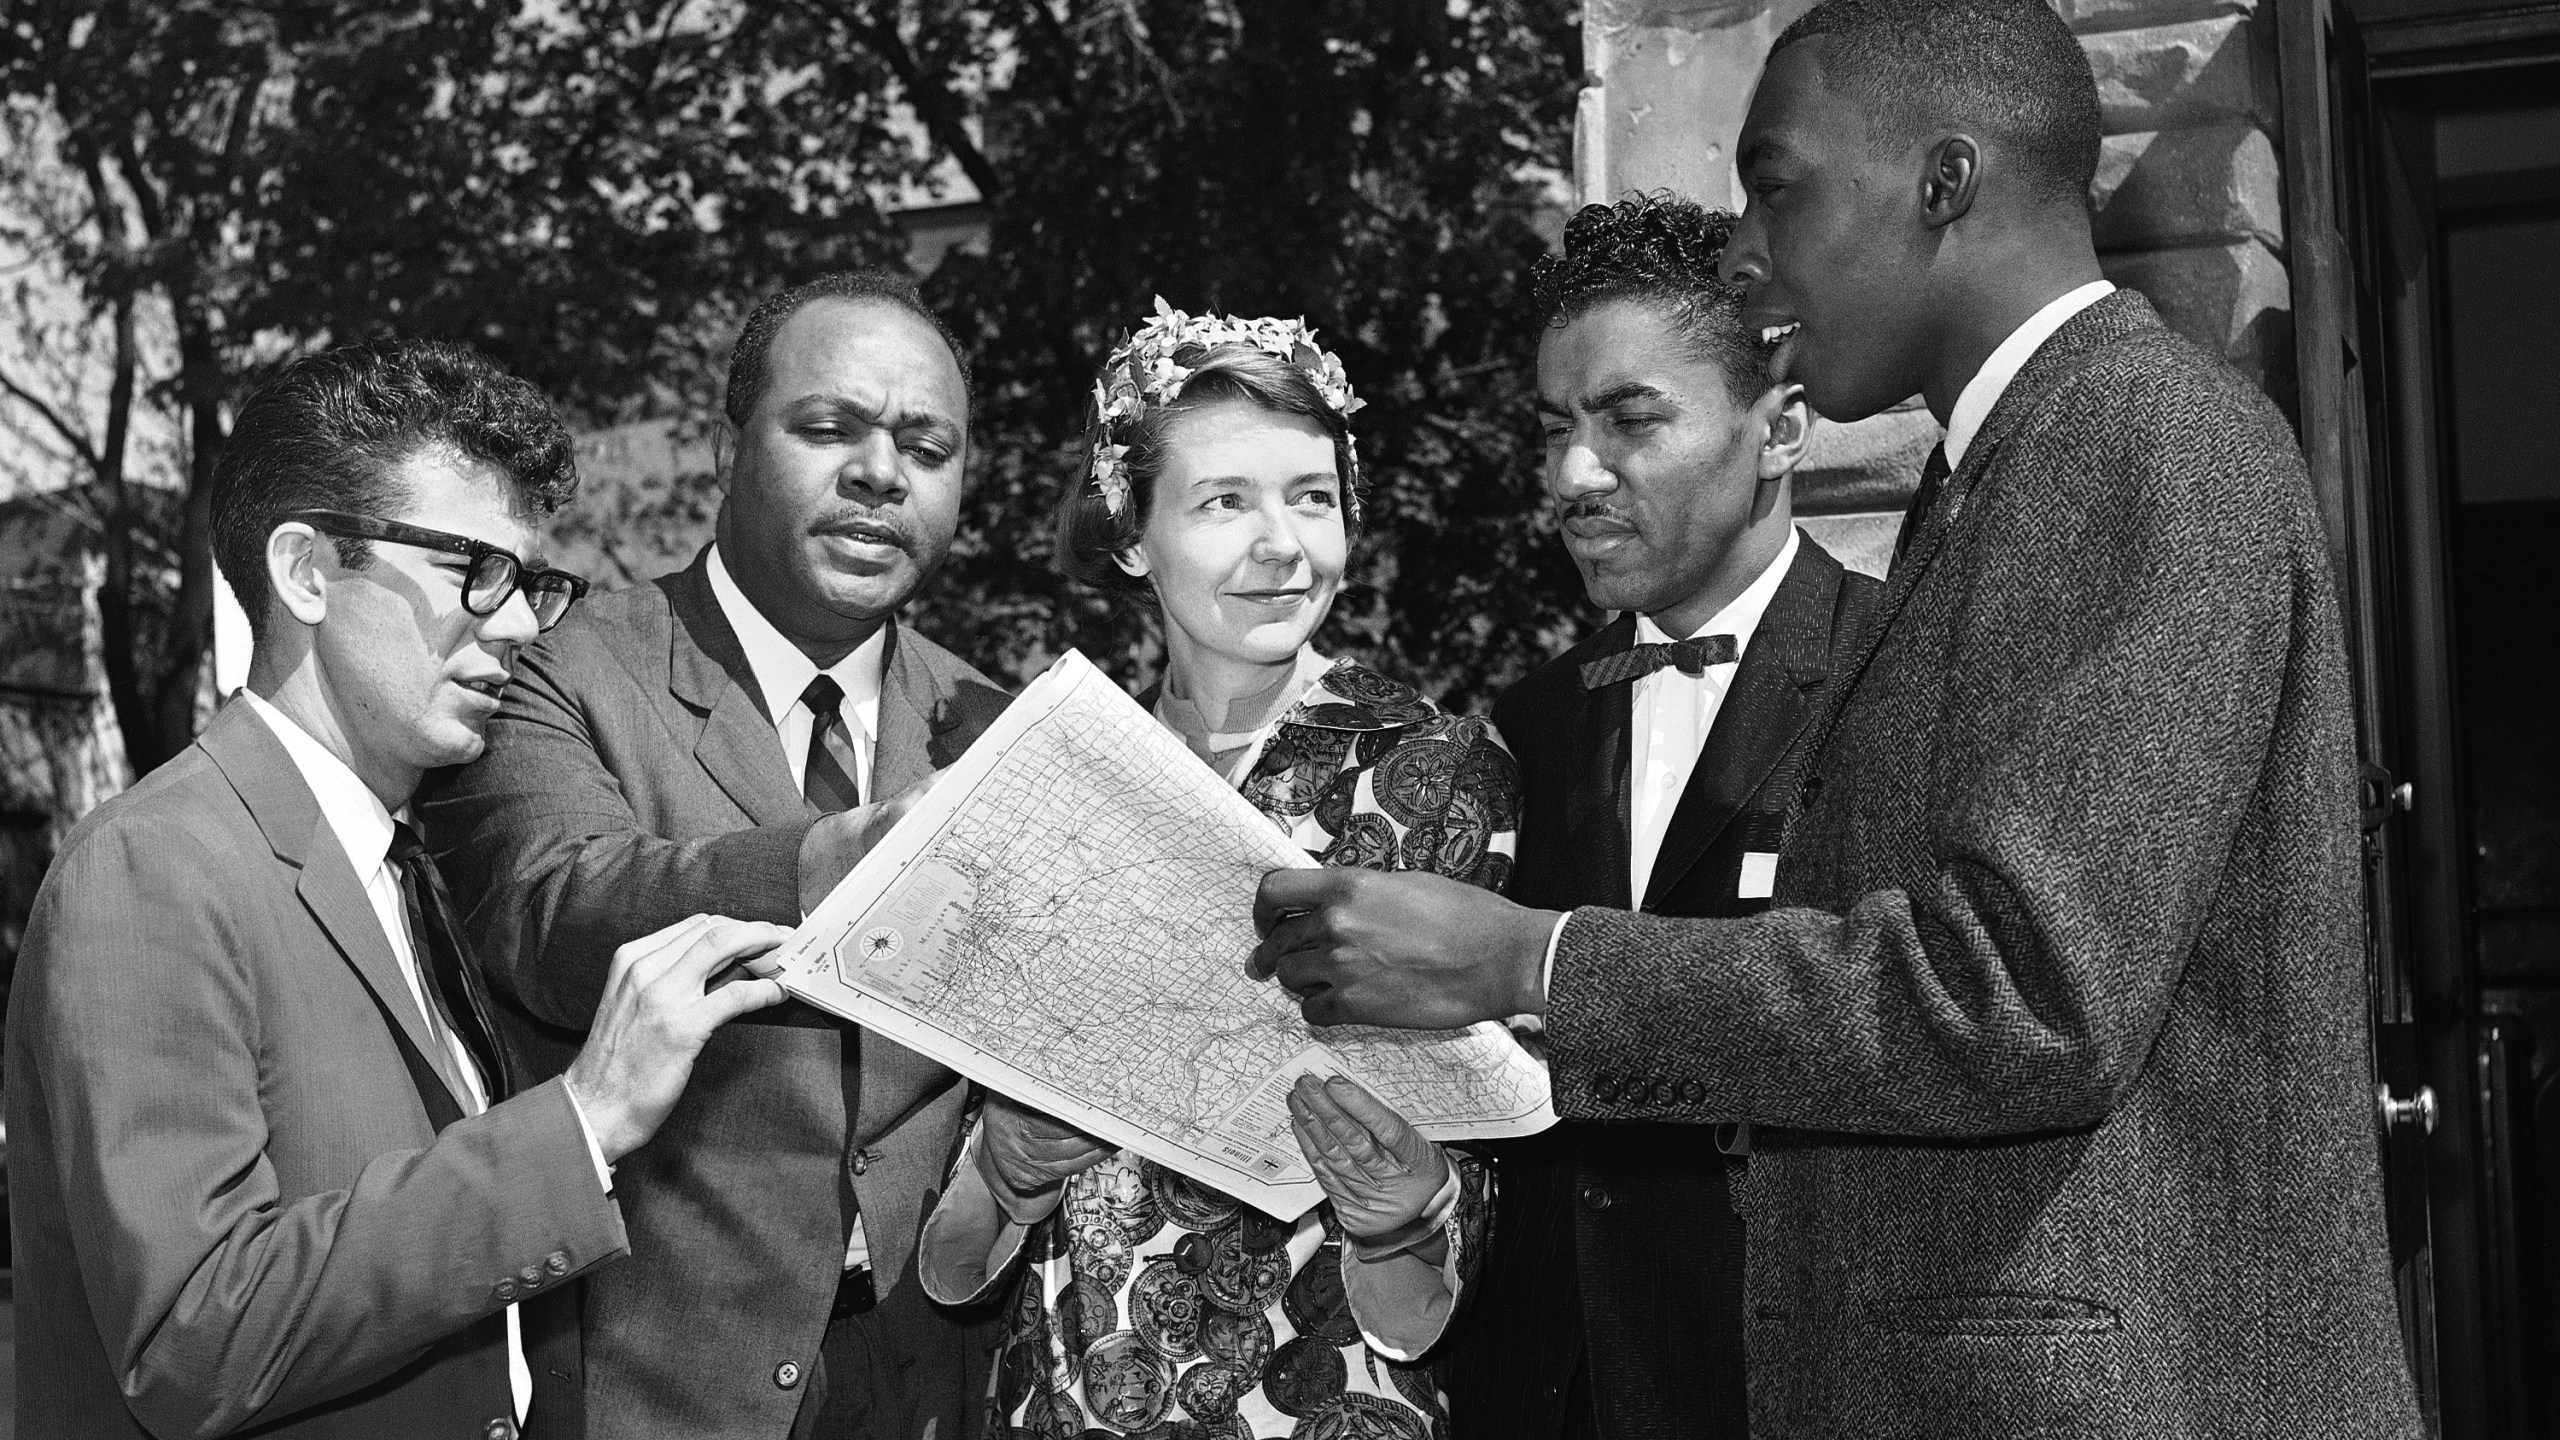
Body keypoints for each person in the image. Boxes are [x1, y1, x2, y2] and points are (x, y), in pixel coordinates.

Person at [1248, 0, 2426, 1434]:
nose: (1748, 251)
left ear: (1944, 183)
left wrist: (1532, 962)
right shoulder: (2005, 470)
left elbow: (2024, 995)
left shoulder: (2142, 441)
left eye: (1777, 183)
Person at [6, 341, 792, 1440]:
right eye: (472, 566)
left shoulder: (404, 859)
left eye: (530, 581)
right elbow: (194, 1336)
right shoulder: (155, 871)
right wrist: (579, 1124)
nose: (518, 624)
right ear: (308, 573)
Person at [912, 302, 1521, 1437]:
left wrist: (1404, 1210)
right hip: (1062, 1399)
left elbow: (1470, 1181)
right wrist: (1002, 1165)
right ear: (1132, 531)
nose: (1282, 544)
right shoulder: (1053, 776)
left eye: (1311, 497)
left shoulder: (1436, 768)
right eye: (1223, 501)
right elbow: (958, 1252)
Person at [418, 271, 1009, 1439]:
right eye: (829, 427)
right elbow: (552, 913)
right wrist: (835, 860)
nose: (880, 473)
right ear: (729, 444)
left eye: (925, 447)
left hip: (934, 1375)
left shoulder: (996, 723)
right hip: (659, 1382)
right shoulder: (553, 667)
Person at [1442, 194, 1879, 1440]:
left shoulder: (1898, 671)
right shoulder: (1521, 723)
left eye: (1631, 419)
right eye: (1555, 430)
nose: (1575, 475)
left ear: (1779, 427)